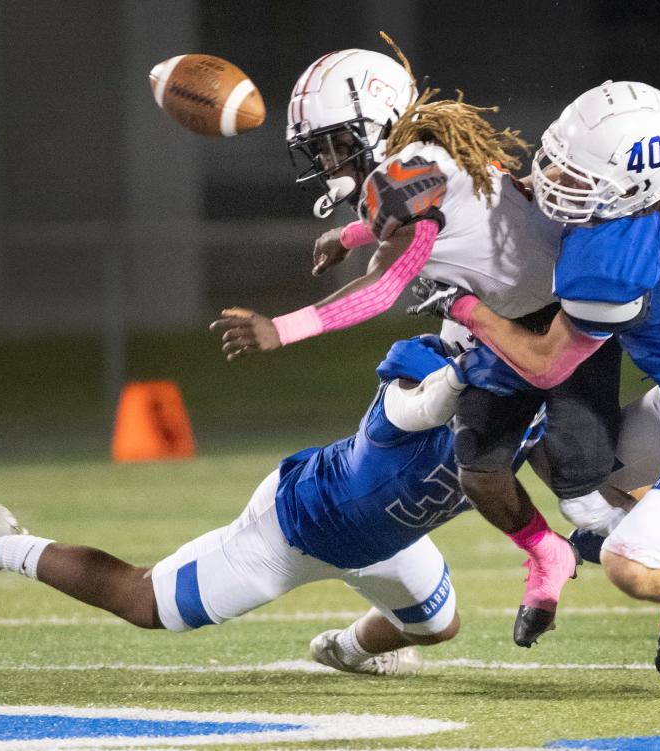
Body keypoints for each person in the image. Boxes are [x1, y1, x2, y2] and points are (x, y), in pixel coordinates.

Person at [210, 41, 623, 647]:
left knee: (580, 487)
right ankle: (548, 556)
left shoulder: (413, 172)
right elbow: (429, 220)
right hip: (513, 314)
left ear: (374, 126)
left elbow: (385, 288)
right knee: (480, 465)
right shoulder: (426, 157)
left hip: (554, 326)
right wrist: (351, 234)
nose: (327, 160)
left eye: (337, 143)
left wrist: (283, 328)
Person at [409, 80, 660, 694]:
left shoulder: (613, 263)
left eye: (580, 179)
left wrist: (468, 311)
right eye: (562, 162)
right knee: (588, 494)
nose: (558, 181)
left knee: (627, 562)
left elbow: (545, 365)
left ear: (631, 190)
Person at [0, 336, 535, 677]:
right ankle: (0, 542)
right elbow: (423, 408)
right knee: (149, 603)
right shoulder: (418, 365)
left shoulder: (533, 407)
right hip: (297, 527)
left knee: (435, 626)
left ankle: (343, 651)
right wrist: (467, 373)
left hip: (387, 538)